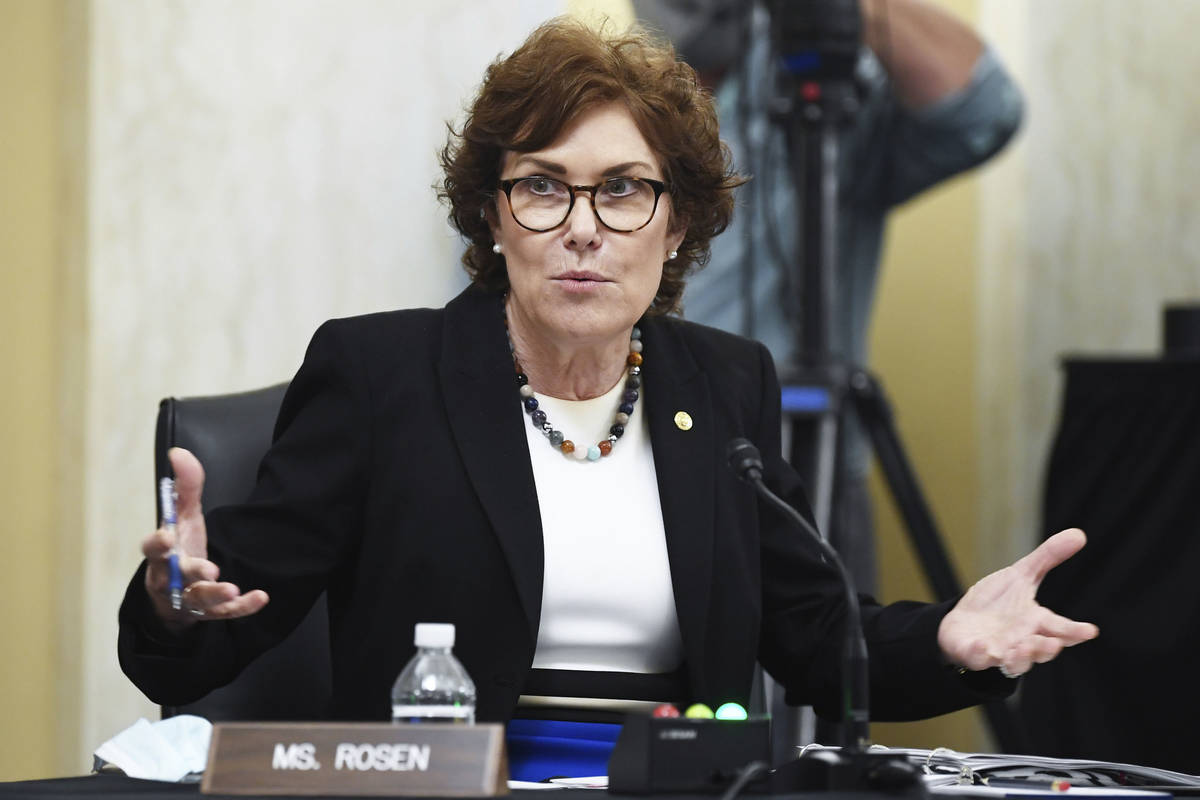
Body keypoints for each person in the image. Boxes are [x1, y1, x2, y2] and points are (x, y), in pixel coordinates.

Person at [118, 18, 1093, 782]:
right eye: (544, 187)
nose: (584, 227)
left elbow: (817, 637)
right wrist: (175, 605)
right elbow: (207, 632)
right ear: (494, 217)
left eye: (625, 191)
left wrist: (952, 638)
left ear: (676, 229)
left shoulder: (723, 384)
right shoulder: (382, 374)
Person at [634, 0, 1026, 595]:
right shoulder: (612, 110)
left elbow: (985, 111)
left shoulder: (820, 91)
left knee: (833, 672)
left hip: (813, 468)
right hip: (647, 469)